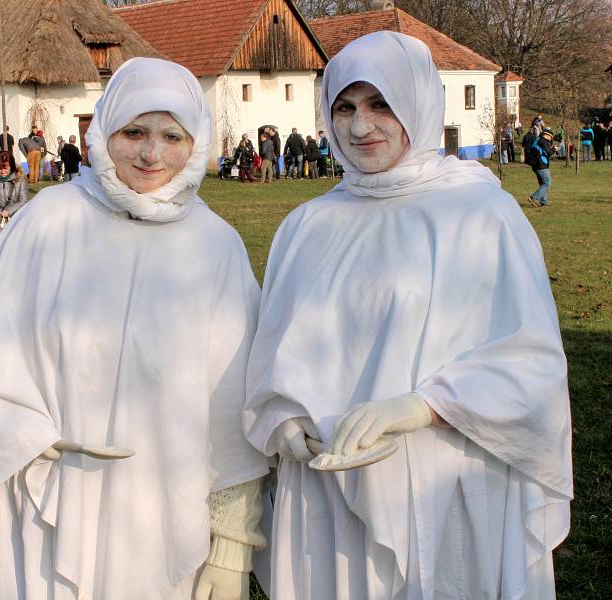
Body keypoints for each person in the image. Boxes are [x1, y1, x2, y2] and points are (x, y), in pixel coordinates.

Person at [0, 57, 268, 600]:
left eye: (171, 136)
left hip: (163, 499)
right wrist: (26, 435)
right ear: (102, 132)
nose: (152, 154)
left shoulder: (214, 245)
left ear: (196, 141)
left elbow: (234, 402)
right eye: (134, 132)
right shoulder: (46, 222)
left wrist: (230, 542)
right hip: (46, 492)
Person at [244, 31, 571, 600]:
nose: (360, 126)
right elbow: (273, 347)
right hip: (323, 490)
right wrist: (283, 420)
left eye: (380, 104)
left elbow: (530, 360)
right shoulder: (305, 226)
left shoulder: (478, 213)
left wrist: (422, 407)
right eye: (345, 107)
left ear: (417, 104)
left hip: (440, 479)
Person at [528, 126, 555, 207]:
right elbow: (549, 152)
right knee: (547, 183)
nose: (551, 138)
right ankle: (533, 197)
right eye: (550, 136)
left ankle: (544, 202)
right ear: (547, 135)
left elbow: (543, 151)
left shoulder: (538, 140)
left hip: (536, 165)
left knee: (543, 184)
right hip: (541, 166)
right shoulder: (543, 141)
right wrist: (554, 150)